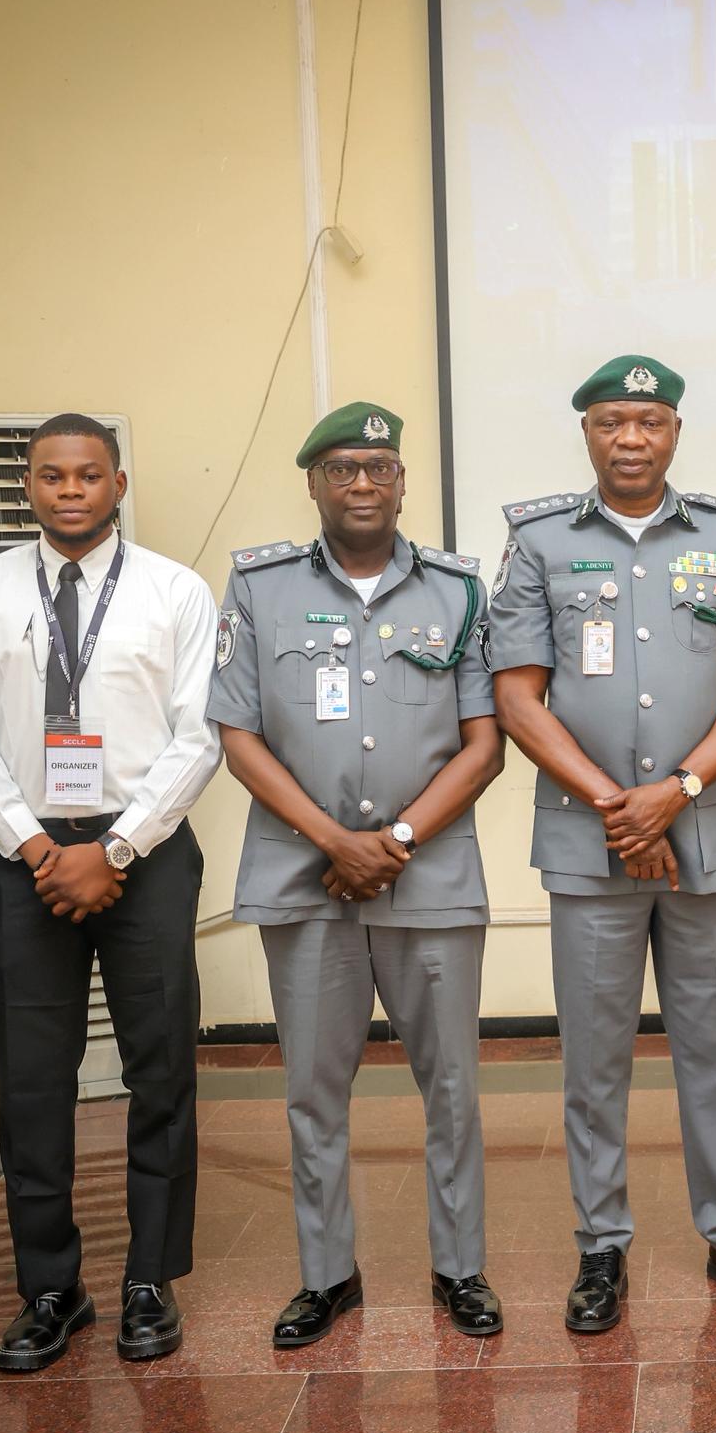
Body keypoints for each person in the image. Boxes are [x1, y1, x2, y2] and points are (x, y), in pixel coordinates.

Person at [488, 355, 716, 1329]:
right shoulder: (538, 541)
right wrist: (619, 806)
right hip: (590, 845)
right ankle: (601, 1246)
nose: (631, 438)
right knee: (594, 1059)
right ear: (587, 431)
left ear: (674, 432)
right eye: (612, 421)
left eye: (649, 421)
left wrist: (676, 792)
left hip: (706, 836)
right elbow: (516, 695)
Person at [207, 401, 508, 1344]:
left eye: (379, 468)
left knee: (451, 1088)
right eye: (342, 469)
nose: (363, 484)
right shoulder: (258, 587)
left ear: (403, 481)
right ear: (314, 484)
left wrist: (398, 839)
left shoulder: (459, 591)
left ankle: (460, 1267)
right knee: (313, 1091)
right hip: (304, 882)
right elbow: (238, 734)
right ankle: (326, 1275)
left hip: (432, 880)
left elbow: (485, 743)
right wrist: (332, 841)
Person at [0, 413, 221, 1369]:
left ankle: (150, 1280)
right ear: (27, 486)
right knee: (31, 1078)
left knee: (161, 1071)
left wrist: (119, 848)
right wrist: (32, 844)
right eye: (51, 475)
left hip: (147, 852)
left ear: (118, 484)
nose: (69, 491)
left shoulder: (175, 591)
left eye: (88, 475)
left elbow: (200, 735)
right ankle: (51, 1289)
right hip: (25, 859)